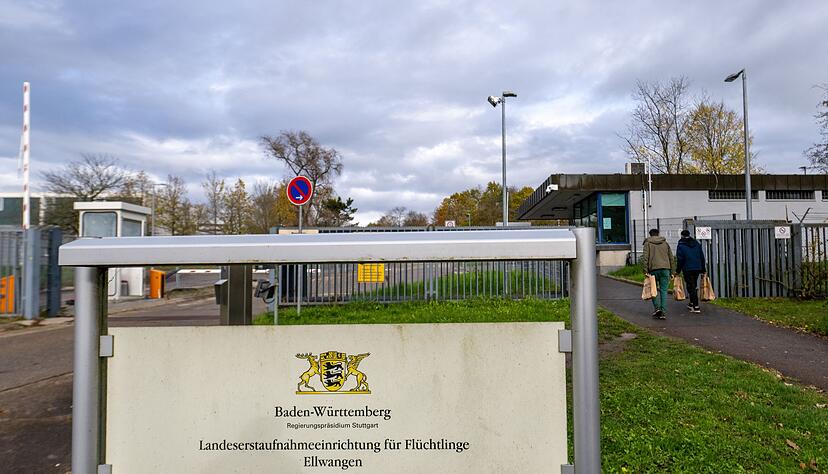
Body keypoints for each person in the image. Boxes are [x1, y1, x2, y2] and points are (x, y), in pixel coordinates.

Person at [641, 228, 674, 319]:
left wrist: (645, 270)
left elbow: (645, 258)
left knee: (653, 290)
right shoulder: (665, 243)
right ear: (658, 234)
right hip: (665, 269)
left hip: (653, 270)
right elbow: (671, 257)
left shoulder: (647, 244)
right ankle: (663, 311)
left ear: (650, 234)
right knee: (664, 290)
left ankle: (657, 309)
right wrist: (672, 271)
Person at [676, 229, 706, 313]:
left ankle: (696, 306)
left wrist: (677, 271)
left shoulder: (681, 245)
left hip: (687, 268)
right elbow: (702, 257)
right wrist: (703, 269)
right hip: (697, 267)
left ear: (682, 236)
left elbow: (680, 259)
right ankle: (691, 303)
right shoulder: (696, 244)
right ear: (689, 234)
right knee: (693, 284)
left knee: (691, 286)